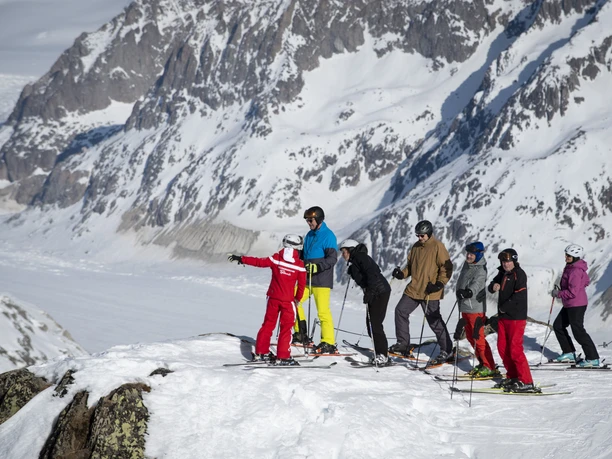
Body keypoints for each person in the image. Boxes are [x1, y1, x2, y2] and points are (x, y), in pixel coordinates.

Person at [228, 234, 306, 365]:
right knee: (286, 328)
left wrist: (242, 259)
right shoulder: (299, 265)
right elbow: (302, 285)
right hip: (288, 301)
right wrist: (297, 299)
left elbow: (259, 262)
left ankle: (260, 353)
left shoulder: (276, 259)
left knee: (268, 325)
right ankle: (283, 356)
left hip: (273, 298)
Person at [390, 220, 454, 365]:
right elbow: (410, 266)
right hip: (414, 289)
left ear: (429, 234)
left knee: (434, 321)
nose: (419, 238)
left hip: (430, 291)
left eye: (422, 236)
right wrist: (402, 274)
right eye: (418, 235)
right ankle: (403, 344)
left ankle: (447, 349)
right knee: (400, 311)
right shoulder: (416, 247)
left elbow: (447, 268)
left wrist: (439, 284)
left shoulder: (438, 246)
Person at [488, 249, 539, 393]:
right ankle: (513, 376)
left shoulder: (519, 274)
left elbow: (519, 296)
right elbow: (492, 285)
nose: (506, 264)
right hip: (503, 317)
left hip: (516, 317)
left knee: (515, 349)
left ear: (514, 261)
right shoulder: (502, 273)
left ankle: (526, 381)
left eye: (509, 261)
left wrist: (504, 307)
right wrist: (493, 286)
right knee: (502, 348)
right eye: (504, 262)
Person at [340, 239, 391, 366]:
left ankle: (383, 355)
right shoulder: (356, 261)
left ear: (351, 250)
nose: (342, 255)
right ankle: (380, 352)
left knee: (375, 324)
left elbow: (373, 272)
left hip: (379, 292)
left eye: (344, 251)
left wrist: (371, 292)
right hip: (376, 292)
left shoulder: (360, 257)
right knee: (371, 325)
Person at [295, 206, 338, 354]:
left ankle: (328, 342)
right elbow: (305, 255)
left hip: (321, 281)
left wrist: (318, 267)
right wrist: (294, 253)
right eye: (307, 220)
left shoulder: (328, 236)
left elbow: (332, 259)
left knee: (323, 312)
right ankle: (301, 334)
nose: (309, 223)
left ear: (318, 219)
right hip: (307, 279)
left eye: (310, 220)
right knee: (292, 300)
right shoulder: (309, 235)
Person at [551, 244, 599, 367]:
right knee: (558, 326)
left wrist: (558, 293)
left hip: (576, 304)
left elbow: (572, 292)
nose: (566, 257)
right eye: (566, 254)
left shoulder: (575, 271)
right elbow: (586, 280)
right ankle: (568, 352)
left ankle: (592, 358)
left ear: (575, 256)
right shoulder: (572, 267)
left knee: (578, 331)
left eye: (569, 255)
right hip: (570, 304)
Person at [455, 241, 499, 377]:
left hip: (475, 308)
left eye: (471, 254)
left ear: (479, 255)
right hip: (465, 306)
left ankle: (489, 366)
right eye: (468, 253)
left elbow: (477, 284)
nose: (468, 256)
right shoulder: (467, 265)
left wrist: (468, 292)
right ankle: (482, 362)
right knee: (470, 336)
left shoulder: (481, 269)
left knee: (478, 337)